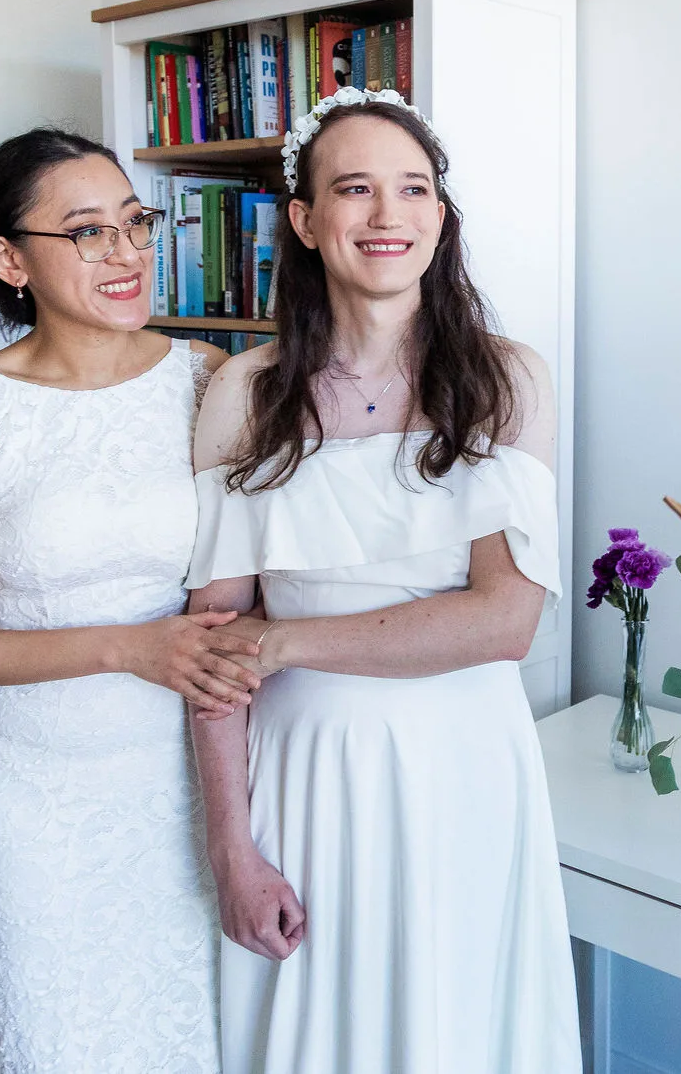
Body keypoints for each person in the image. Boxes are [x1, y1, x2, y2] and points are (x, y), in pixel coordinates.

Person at [186, 88, 580, 1074]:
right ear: (307, 222)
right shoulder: (243, 392)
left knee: (450, 1024)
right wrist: (231, 848)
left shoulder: (506, 379)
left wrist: (285, 642)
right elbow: (211, 646)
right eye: (354, 190)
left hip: (460, 761)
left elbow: (502, 622)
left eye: (412, 190)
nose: (386, 214)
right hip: (299, 770)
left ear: (439, 220)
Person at [0, 128, 268, 1074]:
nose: (129, 253)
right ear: (9, 259)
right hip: (39, 801)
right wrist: (131, 648)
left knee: (208, 1038)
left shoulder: (211, 380)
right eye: (88, 232)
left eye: (135, 224)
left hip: (197, 779)